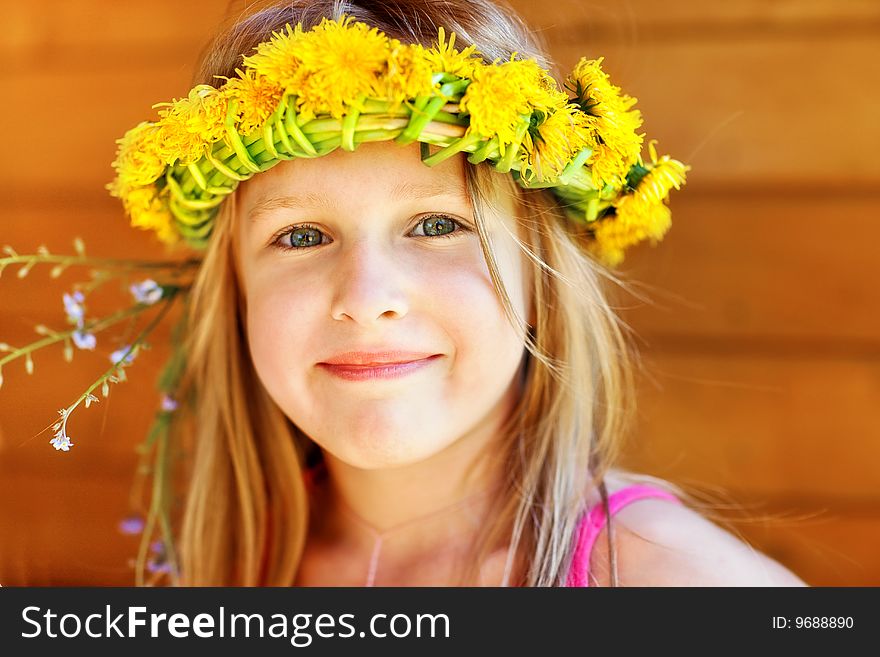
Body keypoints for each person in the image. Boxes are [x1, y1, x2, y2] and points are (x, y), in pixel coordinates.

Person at [55, 0, 806, 586]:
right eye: (303, 235)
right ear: (238, 292)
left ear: (541, 275)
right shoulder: (226, 567)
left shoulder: (675, 586)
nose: (367, 296)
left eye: (437, 223)